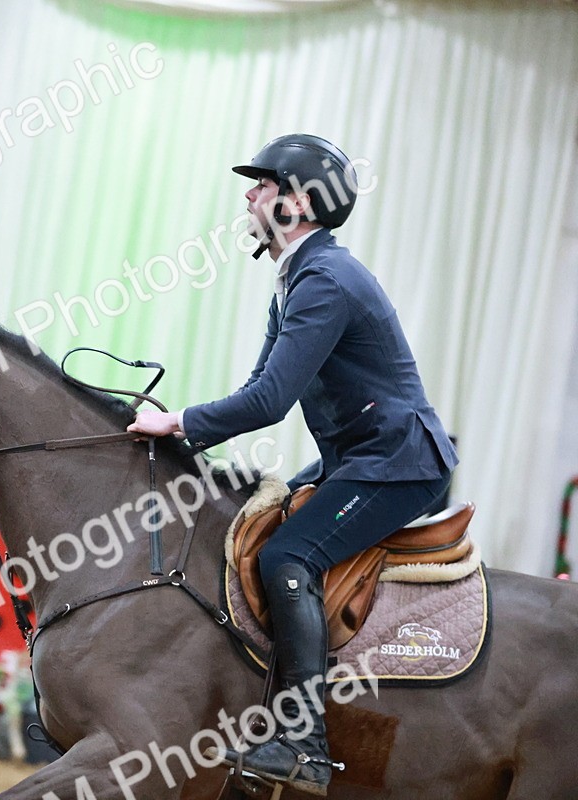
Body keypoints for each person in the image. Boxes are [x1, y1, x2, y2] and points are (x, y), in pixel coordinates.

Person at [127, 134, 458, 796]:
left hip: (399, 465)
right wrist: (186, 439)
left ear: (297, 204)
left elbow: (270, 402)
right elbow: (257, 388)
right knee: (251, 523)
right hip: (360, 458)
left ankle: (304, 743)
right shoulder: (296, 280)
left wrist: (180, 422)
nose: (249, 196)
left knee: (288, 559)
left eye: (263, 186)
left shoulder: (325, 281)